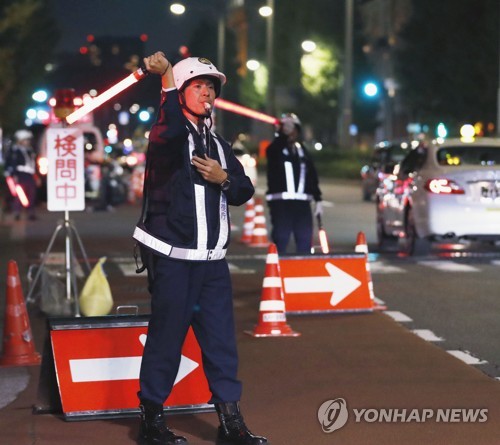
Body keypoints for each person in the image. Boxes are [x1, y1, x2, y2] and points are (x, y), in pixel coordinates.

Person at [133, 52, 267, 445]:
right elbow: (171, 129)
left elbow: (243, 189)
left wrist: (224, 178)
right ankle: (152, 422)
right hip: (173, 258)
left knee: (222, 343)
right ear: (180, 94)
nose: (207, 92)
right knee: (166, 338)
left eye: (211, 87)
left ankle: (231, 424)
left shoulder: (219, 144)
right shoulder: (166, 133)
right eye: (198, 86)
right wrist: (167, 81)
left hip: (212, 264)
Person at [265, 113, 323, 254]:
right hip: (281, 205)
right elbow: (272, 152)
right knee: (281, 239)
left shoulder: (301, 150)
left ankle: (303, 273)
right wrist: (283, 134)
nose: (291, 132)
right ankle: (278, 273)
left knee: (305, 240)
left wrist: (318, 199)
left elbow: (312, 175)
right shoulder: (276, 149)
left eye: (294, 128)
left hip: (302, 206)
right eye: (287, 128)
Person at [4, 129, 38, 221]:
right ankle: (17, 212)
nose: (28, 142)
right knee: (19, 194)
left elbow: (32, 163)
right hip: (20, 174)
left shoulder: (30, 150)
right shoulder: (15, 150)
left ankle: (31, 213)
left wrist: (36, 176)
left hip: (29, 174)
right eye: (26, 140)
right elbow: (11, 163)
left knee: (31, 194)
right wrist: (13, 175)